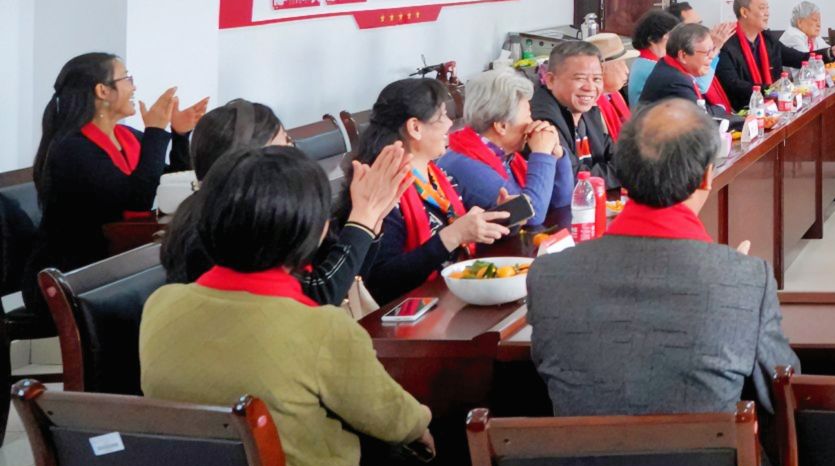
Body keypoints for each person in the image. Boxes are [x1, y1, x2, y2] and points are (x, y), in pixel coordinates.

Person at [139, 148, 466, 466]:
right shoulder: (318, 326)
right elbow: (399, 422)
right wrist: (423, 429)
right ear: (314, 232)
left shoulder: (161, 305)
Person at [526, 100, 795, 466]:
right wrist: (730, 288)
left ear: (623, 171)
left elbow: (548, 368)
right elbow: (783, 393)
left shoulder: (549, 274)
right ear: (707, 175)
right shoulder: (744, 278)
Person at [161, 106, 413, 307]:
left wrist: (372, 221)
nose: (294, 151)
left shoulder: (271, 210)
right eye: (285, 143)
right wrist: (362, 220)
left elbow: (348, 279)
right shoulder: (219, 225)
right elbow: (315, 298)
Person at [29, 53, 205, 293]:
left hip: (116, 261)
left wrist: (180, 135)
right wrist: (155, 131)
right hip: (73, 276)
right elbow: (137, 200)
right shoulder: (72, 148)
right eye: (127, 79)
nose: (134, 87)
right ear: (102, 91)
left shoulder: (127, 136)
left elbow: (169, 183)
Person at [349, 78, 512, 305]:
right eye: (442, 116)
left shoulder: (439, 176)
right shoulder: (382, 190)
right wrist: (451, 236)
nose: (450, 123)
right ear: (415, 128)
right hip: (412, 313)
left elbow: (464, 245)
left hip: (453, 296)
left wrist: (499, 218)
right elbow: (380, 282)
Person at [439, 67, 575, 228]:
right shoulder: (464, 164)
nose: (532, 123)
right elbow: (531, 215)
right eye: (528, 116)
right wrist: (542, 154)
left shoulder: (505, 155)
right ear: (502, 126)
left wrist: (556, 155)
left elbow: (561, 204)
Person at [717, 0, 835, 110]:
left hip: (776, 106)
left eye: (768, 8)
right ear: (744, 12)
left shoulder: (767, 38)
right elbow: (733, 85)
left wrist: (831, 52)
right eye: (762, 8)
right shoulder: (727, 44)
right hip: (745, 112)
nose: (767, 13)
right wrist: (770, 90)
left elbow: (798, 58)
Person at [528, 39, 617, 187]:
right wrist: (623, 173)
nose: (590, 87)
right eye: (580, 78)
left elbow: (620, 156)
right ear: (550, 80)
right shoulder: (543, 120)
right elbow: (574, 178)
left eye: (596, 79)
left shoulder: (585, 109)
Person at [638, 21, 737, 123]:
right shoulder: (675, 82)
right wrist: (721, 108)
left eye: (713, 50)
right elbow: (702, 119)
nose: (712, 56)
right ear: (683, 56)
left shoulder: (668, 66)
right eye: (707, 52)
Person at [625, 8, 682, 105]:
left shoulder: (643, 61)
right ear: (651, 39)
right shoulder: (652, 67)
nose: (674, 42)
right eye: (669, 38)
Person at [589, 32, 634, 140]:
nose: (627, 70)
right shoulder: (589, 107)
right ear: (601, 68)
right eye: (621, 63)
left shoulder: (615, 94)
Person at [779, 1, 835, 65]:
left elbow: (829, 54)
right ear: (800, 23)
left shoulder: (812, 36)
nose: (819, 24)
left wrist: (833, 52)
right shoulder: (793, 36)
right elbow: (807, 64)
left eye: (819, 20)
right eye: (815, 20)